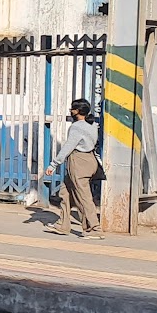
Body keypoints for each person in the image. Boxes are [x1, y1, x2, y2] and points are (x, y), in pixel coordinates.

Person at [44, 98, 103, 239]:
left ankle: (93, 228)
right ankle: (63, 225)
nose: (70, 111)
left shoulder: (76, 127)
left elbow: (68, 147)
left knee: (83, 196)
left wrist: (54, 164)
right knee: (65, 192)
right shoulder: (92, 125)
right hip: (90, 160)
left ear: (77, 111)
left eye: (72, 109)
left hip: (79, 162)